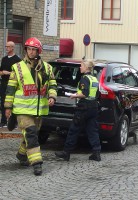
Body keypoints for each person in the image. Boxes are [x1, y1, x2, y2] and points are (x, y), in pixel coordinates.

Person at [4, 37, 57, 176]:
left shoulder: (47, 67)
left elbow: (52, 84)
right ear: (26, 50)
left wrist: (52, 96)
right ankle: (37, 163)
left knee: (30, 135)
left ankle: (22, 155)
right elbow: (10, 89)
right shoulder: (17, 67)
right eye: (29, 49)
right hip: (22, 109)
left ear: (38, 51)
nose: (31, 52)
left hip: (39, 109)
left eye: (34, 49)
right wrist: (7, 107)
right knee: (31, 134)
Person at [55, 60, 101, 162]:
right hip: (93, 107)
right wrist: (77, 92)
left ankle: (66, 153)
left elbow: (85, 93)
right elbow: (97, 94)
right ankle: (96, 153)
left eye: (81, 66)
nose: (80, 68)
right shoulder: (94, 79)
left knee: (73, 130)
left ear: (86, 67)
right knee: (92, 131)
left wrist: (74, 95)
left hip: (83, 107)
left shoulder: (84, 78)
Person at [0, 41, 21, 127]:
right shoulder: (4, 59)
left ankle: (13, 122)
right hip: (4, 83)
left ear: (12, 48)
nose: (7, 48)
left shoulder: (17, 60)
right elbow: (0, 71)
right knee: (3, 102)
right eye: (6, 46)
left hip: (13, 84)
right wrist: (2, 73)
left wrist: (8, 73)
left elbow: (19, 73)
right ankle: (3, 121)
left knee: (13, 103)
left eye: (8, 47)